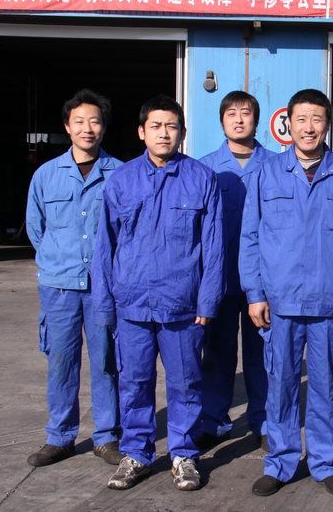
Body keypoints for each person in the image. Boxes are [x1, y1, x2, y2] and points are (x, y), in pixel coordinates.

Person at [240, 89, 333, 498]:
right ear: (289, 124)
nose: (309, 127)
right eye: (301, 119)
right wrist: (255, 293)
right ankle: (280, 462)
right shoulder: (267, 173)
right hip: (279, 302)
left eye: (317, 119)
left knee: (327, 384)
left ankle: (325, 461)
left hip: (331, 303)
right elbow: (250, 237)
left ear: (327, 124)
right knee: (280, 383)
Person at [92, 95, 224, 491]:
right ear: (141, 132)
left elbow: (214, 246)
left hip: (182, 304)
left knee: (186, 383)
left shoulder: (202, 179)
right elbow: (105, 247)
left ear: (182, 132)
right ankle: (137, 453)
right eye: (156, 126)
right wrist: (105, 304)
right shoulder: (121, 180)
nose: (164, 133)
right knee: (134, 382)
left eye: (171, 126)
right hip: (132, 303)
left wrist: (208, 300)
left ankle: (183, 454)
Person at [25, 89, 122, 468]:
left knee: (106, 362)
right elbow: (36, 228)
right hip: (59, 285)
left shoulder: (119, 174)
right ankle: (60, 437)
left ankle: (107, 436)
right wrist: (58, 259)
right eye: (79, 121)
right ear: (67, 127)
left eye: (94, 121)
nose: (87, 128)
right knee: (61, 361)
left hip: (103, 287)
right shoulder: (46, 175)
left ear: (104, 127)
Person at [198, 91, 274, 449]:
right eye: (231, 113)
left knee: (263, 353)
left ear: (256, 120)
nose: (239, 119)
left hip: (264, 279)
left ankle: (264, 421)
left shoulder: (276, 166)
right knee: (217, 352)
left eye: (245, 113)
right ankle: (213, 419)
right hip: (221, 277)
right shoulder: (205, 168)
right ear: (222, 121)